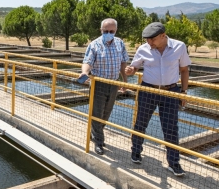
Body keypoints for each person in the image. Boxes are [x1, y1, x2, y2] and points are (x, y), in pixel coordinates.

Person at [124, 22, 191, 177]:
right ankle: (135, 152)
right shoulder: (143, 49)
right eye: (147, 39)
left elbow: (184, 69)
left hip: (171, 92)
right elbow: (134, 68)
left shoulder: (179, 47)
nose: (149, 42)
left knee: (171, 128)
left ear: (163, 35)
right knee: (141, 123)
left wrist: (184, 92)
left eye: (152, 39)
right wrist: (130, 70)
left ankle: (174, 163)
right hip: (148, 90)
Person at [79, 18, 128, 155]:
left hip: (113, 84)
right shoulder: (95, 45)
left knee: (106, 113)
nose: (108, 33)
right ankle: (99, 141)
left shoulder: (120, 44)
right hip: (98, 83)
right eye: (106, 31)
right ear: (101, 30)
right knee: (97, 113)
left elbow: (123, 63)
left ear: (115, 31)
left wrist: (124, 80)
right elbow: (87, 61)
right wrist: (84, 72)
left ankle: (95, 134)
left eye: (111, 31)